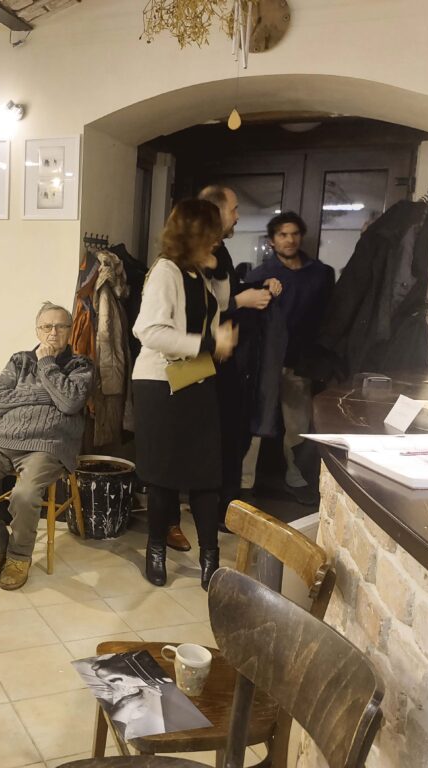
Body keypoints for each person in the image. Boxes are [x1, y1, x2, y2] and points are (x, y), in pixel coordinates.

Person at [0, 302, 93, 591]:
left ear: (70, 330)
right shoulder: (19, 360)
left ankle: (18, 556)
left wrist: (47, 365)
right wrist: (47, 396)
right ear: (37, 330)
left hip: (47, 446)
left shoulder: (80, 365)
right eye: (46, 326)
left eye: (60, 326)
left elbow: (70, 402)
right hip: (2, 441)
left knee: (24, 495)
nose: (53, 332)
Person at [132, 198, 236, 590]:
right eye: (212, 233)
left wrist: (219, 268)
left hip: (196, 377)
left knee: (206, 473)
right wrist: (208, 343)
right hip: (161, 383)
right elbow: (149, 331)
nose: (218, 239)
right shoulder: (166, 271)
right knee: (163, 475)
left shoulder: (196, 271)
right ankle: (155, 549)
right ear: (193, 232)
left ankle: (211, 558)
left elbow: (220, 305)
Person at [196, 185, 282, 536]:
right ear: (216, 212)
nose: (237, 216)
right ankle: (217, 511)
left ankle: (224, 509)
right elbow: (198, 307)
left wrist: (258, 285)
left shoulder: (222, 251)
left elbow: (225, 292)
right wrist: (240, 302)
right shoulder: (197, 255)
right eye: (233, 209)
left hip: (224, 360)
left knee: (232, 435)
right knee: (220, 437)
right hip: (203, 361)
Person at [244, 212, 335, 505]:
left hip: (301, 362)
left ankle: (299, 478)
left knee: (298, 424)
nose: (290, 239)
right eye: (283, 234)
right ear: (272, 240)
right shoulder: (260, 275)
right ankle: (243, 483)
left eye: (294, 233)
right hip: (264, 362)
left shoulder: (319, 274)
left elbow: (328, 317)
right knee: (255, 420)